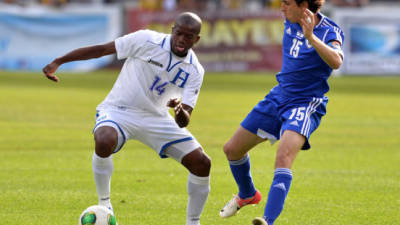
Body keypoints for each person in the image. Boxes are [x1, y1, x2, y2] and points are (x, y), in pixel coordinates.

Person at [42, 12, 211, 225]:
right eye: (179, 33)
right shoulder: (146, 40)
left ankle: (193, 222)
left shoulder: (195, 70)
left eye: (189, 36)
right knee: (104, 139)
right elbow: (102, 50)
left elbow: (184, 120)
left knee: (202, 163)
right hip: (119, 110)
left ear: (197, 39)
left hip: (156, 118)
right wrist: (59, 61)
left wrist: (179, 111)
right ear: (172, 30)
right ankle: (105, 204)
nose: (182, 40)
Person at [218, 0, 344, 224]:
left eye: (286, 3)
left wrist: (311, 38)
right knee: (232, 150)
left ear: (304, 5)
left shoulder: (329, 30)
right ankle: (247, 194)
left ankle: (267, 220)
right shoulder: (290, 19)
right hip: (278, 97)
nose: (281, 8)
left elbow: (336, 61)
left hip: (305, 104)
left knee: (283, 156)